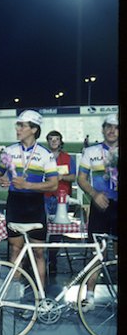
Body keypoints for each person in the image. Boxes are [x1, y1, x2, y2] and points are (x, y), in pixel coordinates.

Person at [0, 110, 58, 289]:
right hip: (15, 203)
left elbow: (53, 185)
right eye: (18, 125)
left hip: (35, 205)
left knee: (38, 253)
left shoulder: (45, 154)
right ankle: (13, 296)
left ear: (34, 129)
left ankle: (40, 299)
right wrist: (0, 179)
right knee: (15, 249)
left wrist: (27, 185)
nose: (18, 128)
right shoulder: (10, 150)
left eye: (22, 125)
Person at [77, 113, 118, 311]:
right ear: (102, 129)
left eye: (116, 127)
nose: (112, 131)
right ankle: (89, 297)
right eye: (108, 127)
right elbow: (81, 178)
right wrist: (94, 194)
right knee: (96, 252)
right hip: (99, 205)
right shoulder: (91, 151)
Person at [43, 130, 76, 274]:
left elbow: (73, 177)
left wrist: (61, 177)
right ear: (48, 141)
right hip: (45, 196)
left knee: (57, 231)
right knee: (41, 228)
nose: (54, 141)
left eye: (56, 139)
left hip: (61, 199)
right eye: (51, 139)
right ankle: (38, 257)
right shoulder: (43, 157)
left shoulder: (68, 158)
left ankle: (52, 259)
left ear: (60, 141)